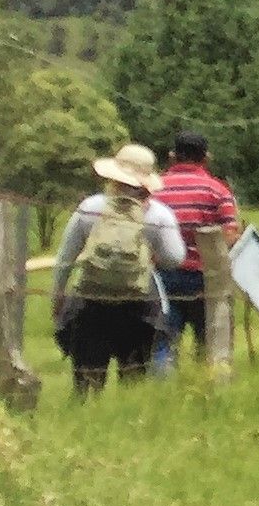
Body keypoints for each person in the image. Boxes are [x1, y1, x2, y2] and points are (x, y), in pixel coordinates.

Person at [53, 142, 186, 393]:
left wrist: (58, 296)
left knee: (87, 381)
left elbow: (65, 259)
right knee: (134, 379)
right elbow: (176, 258)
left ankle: (86, 421)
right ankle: (128, 422)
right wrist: (149, 255)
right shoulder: (159, 215)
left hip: (91, 301)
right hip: (138, 305)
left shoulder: (90, 207)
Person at [150, 129, 238, 372]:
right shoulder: (217, 190)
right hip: (205, 278)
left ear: (172, 156)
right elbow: (230, 236)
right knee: (208, 342)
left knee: (163, 342)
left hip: (162, 276)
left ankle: (162, 393)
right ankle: (206, 391)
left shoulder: (154, 189)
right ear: (206, 158)